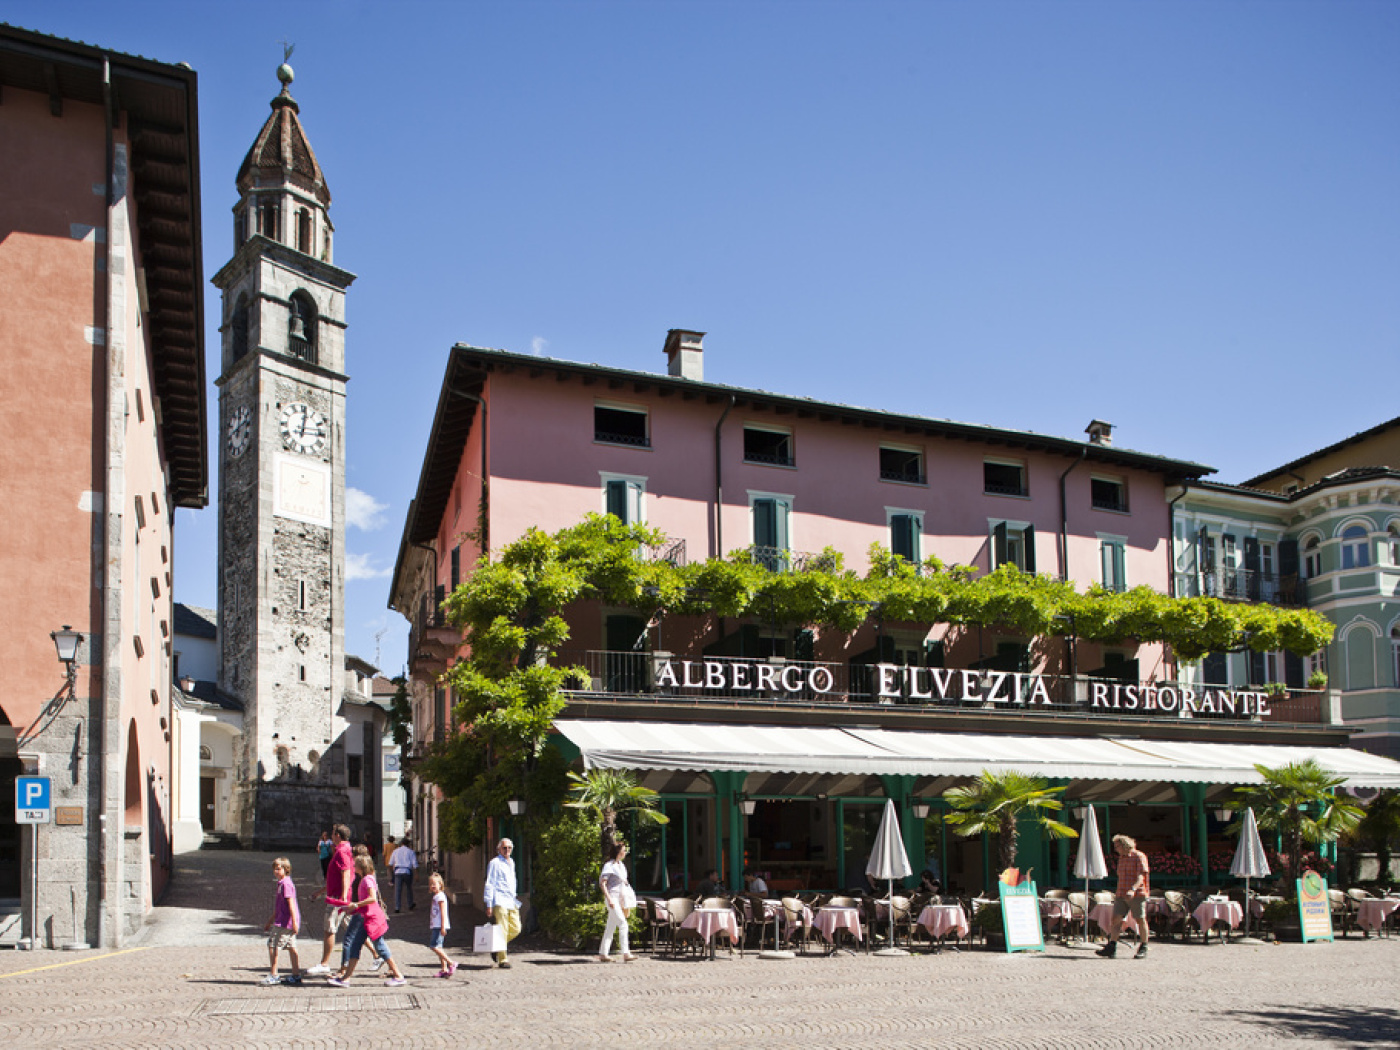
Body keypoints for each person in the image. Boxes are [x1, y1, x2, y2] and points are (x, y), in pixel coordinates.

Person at [327, 854, 407, 987]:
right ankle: (346, 979)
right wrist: (352, 909)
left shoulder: (367, 880)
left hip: (372, 919)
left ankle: (398, 975)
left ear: (362, 866)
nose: (353, 866)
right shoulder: (366, 879)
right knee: (355, 946)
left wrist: (356, 905)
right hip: (366, 918)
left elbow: (372, 898)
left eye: (356, 864)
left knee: (380, 947)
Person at [306, 824, 354, 975]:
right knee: (354, 929)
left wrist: (344, 896)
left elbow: (345, 873)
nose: (332, 836)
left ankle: (324, 963)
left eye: (333, 833)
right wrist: (320, 892)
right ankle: (378, 955)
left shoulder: (342, 851)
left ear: (338, 835)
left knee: (329, 929)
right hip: (337, 896)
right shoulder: (344, 849)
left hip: (337, 899)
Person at [1098, 834, 1151, 960]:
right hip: (1121, 893)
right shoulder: (1121, 858)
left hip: (1137, 894)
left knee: (1140, 919)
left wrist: (1133, 889)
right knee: (1116, 919)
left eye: (1117, 846)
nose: (1116, 849)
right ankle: (1112, 946)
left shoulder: (1138, 856)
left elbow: (1141, 876)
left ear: (1125, 845)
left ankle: (1144, 946)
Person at [261, 857, 302, 986]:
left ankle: (274, 974)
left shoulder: (286, 884)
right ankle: (296, 974)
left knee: (273, 946)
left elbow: (291, 905)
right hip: (283, 921)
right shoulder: (282, 884)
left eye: (279, 869)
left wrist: (294, 922)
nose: (276, 871)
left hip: (285, 922)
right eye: (275, 869)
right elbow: (279, 907)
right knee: (291, 947)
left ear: (286, 869)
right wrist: (270, 921)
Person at [482, 838, 521, 969]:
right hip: (499, 900)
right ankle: (503, 959)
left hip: (511, 900)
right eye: (504, 848)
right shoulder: (495, 863)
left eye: (509, 848)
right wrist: (489, 904)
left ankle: (496, 947)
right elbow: (490, 883)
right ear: (499, 849)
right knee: (502, 929)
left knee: (516, 928)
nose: (507, 850)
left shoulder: (512, 862)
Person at [596, 841, 637, 963]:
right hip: (612, 898)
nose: (625, 852)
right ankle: (626, 953)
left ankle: (603, 953)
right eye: (623, 850)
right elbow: (602, 884)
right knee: (623, 924)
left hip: (619, 899)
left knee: (610, 927)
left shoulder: (621, 865)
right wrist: (609, 899)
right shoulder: (609, 865)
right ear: (618, 852)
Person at [427, 872, 456, 978]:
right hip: (436, 925)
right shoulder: (436, 896)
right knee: (439, 947)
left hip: (439, 925)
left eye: (435, 884)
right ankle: (444, 969)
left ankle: (451, 963)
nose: (433, 886)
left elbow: (443, 913)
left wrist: (443, 926)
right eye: (431, 884)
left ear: (440, 884)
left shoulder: (440, 897)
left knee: (434, 946)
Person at [390, 837, 418, 912]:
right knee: (409, 888)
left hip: (398, 871)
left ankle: (397, 907)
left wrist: (392, 873)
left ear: (401, 843)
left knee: (397, 890)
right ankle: (410, 904)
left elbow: (391, 863)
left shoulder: (395, 851)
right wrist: (416, 875)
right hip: (407, 871)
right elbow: (415, 864)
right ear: (408, 844)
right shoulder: (411, 852)